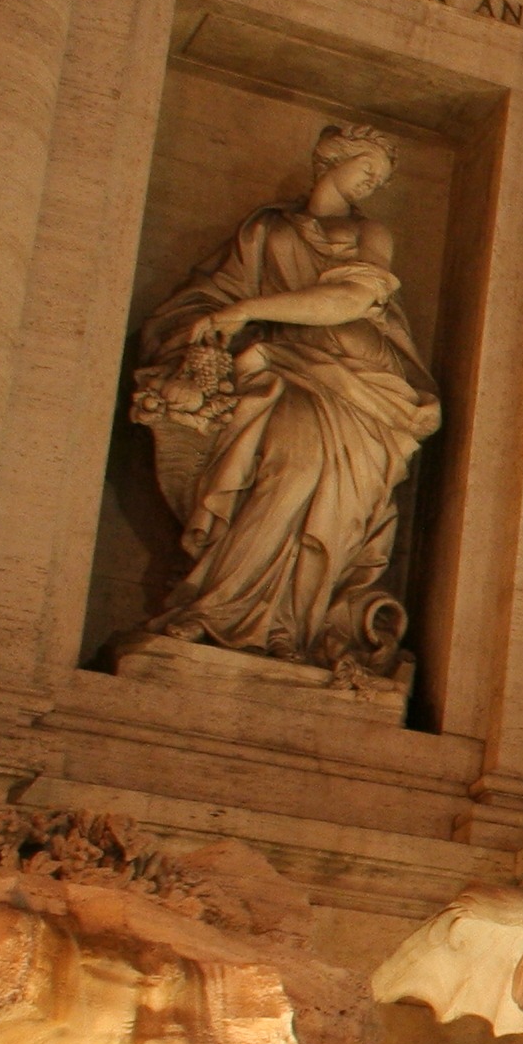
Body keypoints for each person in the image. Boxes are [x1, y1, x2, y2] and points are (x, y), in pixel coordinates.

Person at [129, 123, 440, 674]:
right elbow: (212, 295)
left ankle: (290, 626)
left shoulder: (371, 233)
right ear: (330, 158)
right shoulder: (266, 228)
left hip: (362, 384)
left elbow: (352, 296)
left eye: (381, 178)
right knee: (287, 468)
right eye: (366, 169)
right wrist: (204, 332)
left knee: (330, 499)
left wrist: (250, 313)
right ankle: (221, 610)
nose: (372, 183)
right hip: (282, 368)